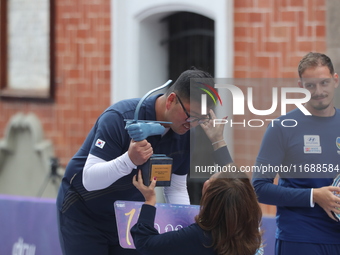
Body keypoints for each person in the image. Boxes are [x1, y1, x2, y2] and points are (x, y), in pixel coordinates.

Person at [56, 67, 232, 255]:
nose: (192, 124)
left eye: (199, 118)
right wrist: (129, 160)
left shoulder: (186, 134)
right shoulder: (119, 117)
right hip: (84, 211)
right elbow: (89, 180)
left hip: (127, 215)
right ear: (171, 100)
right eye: (190, 115)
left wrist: (185, 231)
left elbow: (176, 188)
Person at [252, 52, 340, 255]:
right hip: (301, 239)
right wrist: (313, 196)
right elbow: (259, 187)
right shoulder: (282, 127)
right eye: (310, 85)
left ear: (335, 80)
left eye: (324, 82)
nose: (318, 91)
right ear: (301, 86)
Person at [131, 168, 263, 255]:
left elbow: (145, 243)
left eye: (210, 181)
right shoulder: (250, 233)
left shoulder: (199, 236)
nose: (206, 182)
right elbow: (235, 187)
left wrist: (149, 201)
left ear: (211, 198)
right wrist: (217, 140)